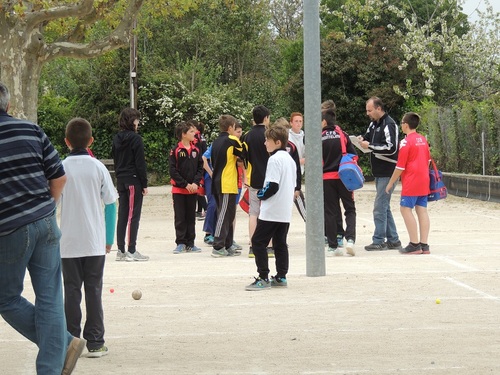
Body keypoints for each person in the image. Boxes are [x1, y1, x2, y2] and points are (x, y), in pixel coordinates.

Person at [0, 82, 86, 374]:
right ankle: (56, 356)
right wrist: (46, 208)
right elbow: (58, 177)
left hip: (9, 229)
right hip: (46, 221)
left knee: (6, 297)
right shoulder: (31, 130)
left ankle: (62, 343)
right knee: (49, 297)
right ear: (8, 106)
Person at [60, 118, 118, 358]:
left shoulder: (60, 166)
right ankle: (95, 342)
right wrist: (109, 238)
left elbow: (50, 204)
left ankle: (70, 342)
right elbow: (111, 204)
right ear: (91, 141)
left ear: (66, 142)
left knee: (71, 292)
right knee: (94, 291)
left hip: (68, 244)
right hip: (94, 242)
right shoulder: (98, 167)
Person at [245, 125, 296, 290]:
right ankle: (281, 276)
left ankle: (263, 277)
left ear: (278, 142)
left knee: (258, 242)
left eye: (268, 140)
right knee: (280, 243)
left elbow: (272, 186)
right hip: (284, 210)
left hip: (271, 210)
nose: (265, 142)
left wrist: (260, 194)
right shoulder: (290, 159)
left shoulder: (274, 159)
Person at [358, 97, 402, 251]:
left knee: (379, 207)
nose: (368, 113)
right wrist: (361, 140)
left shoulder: (389, 124)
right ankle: (393, 240)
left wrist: (369, 145)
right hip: (379, 171)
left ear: (378, 108)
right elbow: (367, 137)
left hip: (388, 172)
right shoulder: (373, 124)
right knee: (384, 206)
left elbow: (391, 148)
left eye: (369, 110)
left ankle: (378, 240)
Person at [385, 112, 431, 255]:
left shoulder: (405, 142)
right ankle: (424, 244)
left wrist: (390, 183)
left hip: (411, 180)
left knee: (405, 209)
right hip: (424, 179)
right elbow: (428, 161)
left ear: (405, 124)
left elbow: (400, 167)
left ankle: (414, 243)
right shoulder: (423, 140)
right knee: (422, 209)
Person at [112, 108, 149, 261]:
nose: (138, 123)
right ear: (133, 121)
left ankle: (120, 250)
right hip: (133, 180)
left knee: (122, 215)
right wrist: (144, 183)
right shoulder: (136, 139)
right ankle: (131, 250)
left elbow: (115, 159)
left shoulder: (116, 138)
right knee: (133, 216)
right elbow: (140, 163)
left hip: (120, 179)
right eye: (137, 120)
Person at [321, 109, 358, 257]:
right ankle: (350, 240)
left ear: (324, 121)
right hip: (344, 177)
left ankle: (333, 245)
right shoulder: (343, 135)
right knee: (349, 209)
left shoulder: (319, 137)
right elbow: (354, 155)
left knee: (330, 211)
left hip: (327, 178)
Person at [210, 115, 247, 257]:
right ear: (230, 127)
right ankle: (218, 246)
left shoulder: (216, 141)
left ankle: (228, 244)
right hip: (226, 182)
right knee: (224, 215)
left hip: (219, 181)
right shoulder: (231, 140)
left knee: (229, 215)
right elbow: (243, 153)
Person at [241, 105, 272, 258]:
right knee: (270, 211)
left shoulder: (246, 136)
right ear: (266, 118)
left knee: (253, 212)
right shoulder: (269, 134)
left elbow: (243, 158)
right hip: (269, 178)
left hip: (254, 179)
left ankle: (253, 247)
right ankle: (270, 246)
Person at [169, 121, 204, 254]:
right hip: (179, 190)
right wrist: (185, 184)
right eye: (190, 132)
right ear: (183, 134)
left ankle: (191, 243)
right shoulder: (175, 150)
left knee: (191, 217)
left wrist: (195, 183)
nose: (194, 133)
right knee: (180, 217)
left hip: (193, 190)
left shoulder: (196, 150)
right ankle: (181, 242)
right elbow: (173, 170)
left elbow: (200, 168)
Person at [321, 100, 345, 246]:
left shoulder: (327, 133)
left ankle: (334, 236)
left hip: (329, 174)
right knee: (335, 207)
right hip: (338, 174)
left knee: (330, 208)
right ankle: (338, 234)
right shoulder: (339, 132)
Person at [273, 117, 306, 222]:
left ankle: (312, 226)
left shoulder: (291, 146)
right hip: (283, 182)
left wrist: (297, 187)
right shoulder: (274, 146)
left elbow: (296, 167)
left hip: (288, 182)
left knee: (298, 203)